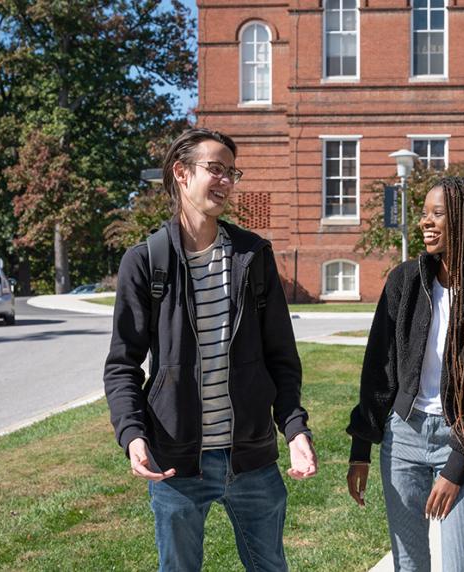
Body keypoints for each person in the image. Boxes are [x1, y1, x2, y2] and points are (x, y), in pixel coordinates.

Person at [103, 128, 317, 572]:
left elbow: (281, 357)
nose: (225, 181)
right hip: (176, 463)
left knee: (270, 567)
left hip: (252, 458)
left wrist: (294, 429)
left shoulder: (252, 256)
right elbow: (123, 365)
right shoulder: (145, 261)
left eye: (231, 173)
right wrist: (133, 435)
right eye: (215, 169)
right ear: (181, 173)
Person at [346, 177, 464, 571]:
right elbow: (379, 367)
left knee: (459, 566)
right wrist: (361, 447)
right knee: (409, 565)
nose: (426, 222)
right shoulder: (404, 281)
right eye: (424, 213)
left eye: (438, 214)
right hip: (404, 439)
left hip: (462, 437)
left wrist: (458, 464)